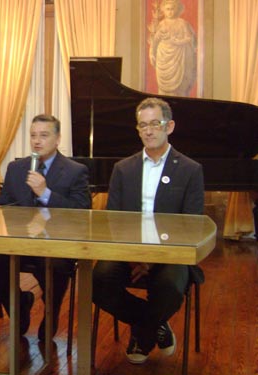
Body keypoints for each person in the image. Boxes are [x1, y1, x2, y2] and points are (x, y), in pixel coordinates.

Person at [92, 97, 204, 364]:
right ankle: (155, 324)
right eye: (143, 125)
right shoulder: (123, 169)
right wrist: (135, 256)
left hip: (170, 254)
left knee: (168, 285)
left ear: (170, 126)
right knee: (98, 281)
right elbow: (114, 220)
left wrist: (152, 261)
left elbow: (191, 225)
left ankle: (142, 335)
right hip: (128, 251)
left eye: (155, 123)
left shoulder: (190, 170)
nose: (149, 131)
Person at [0, 114, 90, 341]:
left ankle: (51, 313)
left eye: (44, 135)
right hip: (20, 242)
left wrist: (46, 194)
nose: (37, 141)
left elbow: (81, 212)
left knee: (54, 268)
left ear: (58, 139)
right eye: (33, 136)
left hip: (56, 244)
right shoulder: (16, 168)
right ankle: (19, 305)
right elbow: (4, 206)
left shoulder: (75, 170)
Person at [149, 0, 197, 96]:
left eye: (172, 9)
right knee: (163, 91)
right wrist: (151, 53)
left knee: (180, 87)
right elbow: (156, 40)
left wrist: (178, 42)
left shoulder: (182, 23)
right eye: (168, 9)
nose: (170, 12)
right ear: (164, 10)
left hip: (179, 56)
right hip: (163, 57)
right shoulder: (162, 24)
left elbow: (190, 38)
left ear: (177, 10)